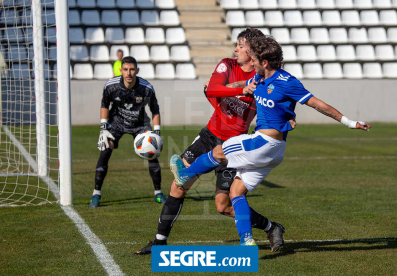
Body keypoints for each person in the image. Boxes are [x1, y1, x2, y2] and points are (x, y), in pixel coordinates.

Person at [169, 35, 371, 246]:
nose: (251, 62)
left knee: (219, 151)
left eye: (254, 59)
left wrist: (348, 122)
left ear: (264, 62)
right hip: (274, 151)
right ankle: (247, 240)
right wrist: (220, 87)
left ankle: (184, 175)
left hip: (263, 143)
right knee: (236, 192)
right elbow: (241, 84)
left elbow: (318, 104)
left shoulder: (287, 82)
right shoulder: (258, 79)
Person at [135, 28, 294, 255]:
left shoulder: (264, 79)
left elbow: (277, 105)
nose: (235, 49)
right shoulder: (227, 65)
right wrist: (239, 88)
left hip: (233, 146)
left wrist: (289, 116)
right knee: (178, 185)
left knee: (224, 206)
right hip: (209, 135)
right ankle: (159, 242)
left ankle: (271, 227)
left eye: (240, 45)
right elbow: (212, 88)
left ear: (252, 50)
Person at [89, 56, 167, 207]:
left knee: (152, 153)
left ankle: (158, 192)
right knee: (105, 149)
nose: (129, 73)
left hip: (140, 123)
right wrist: (103, 128)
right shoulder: (111, 86)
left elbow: (155, 111)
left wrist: (156, 133)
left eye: (132, 69)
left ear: (137, 70)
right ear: (121, 71)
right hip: (116, 122)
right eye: (125, 70)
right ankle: (96, 194)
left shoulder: (146, 88)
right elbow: (104, 105)